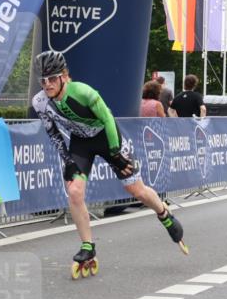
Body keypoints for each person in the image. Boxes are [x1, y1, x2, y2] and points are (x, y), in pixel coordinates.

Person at [29, 51, 187, 274]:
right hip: (81, 143)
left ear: (64, 76)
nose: (47, 85)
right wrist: (67, 160)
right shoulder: (40, 102)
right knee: (74, 191)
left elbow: (107, 119)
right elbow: (53, 133)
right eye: (43, 80)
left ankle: (163, 213)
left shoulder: (83, 92)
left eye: (52, 79)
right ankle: (87, 246)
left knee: (136, 190)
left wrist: (116, 153)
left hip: (107, 137)